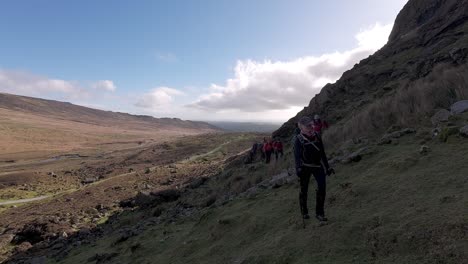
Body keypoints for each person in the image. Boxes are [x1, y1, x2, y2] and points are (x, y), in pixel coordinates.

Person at [294, 116, 334, 221]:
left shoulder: (317, 135)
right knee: (304, 190)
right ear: (301, 128)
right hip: (305, 168)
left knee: (322, 188)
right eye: (308, 126)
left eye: (312, 125)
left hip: (318, 166)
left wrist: (327, 167)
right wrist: (298, 168)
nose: (311, 127)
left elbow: (322, 153)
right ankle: (304, 212)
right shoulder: (298, 139)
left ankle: (319, 213)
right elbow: (297, 156)